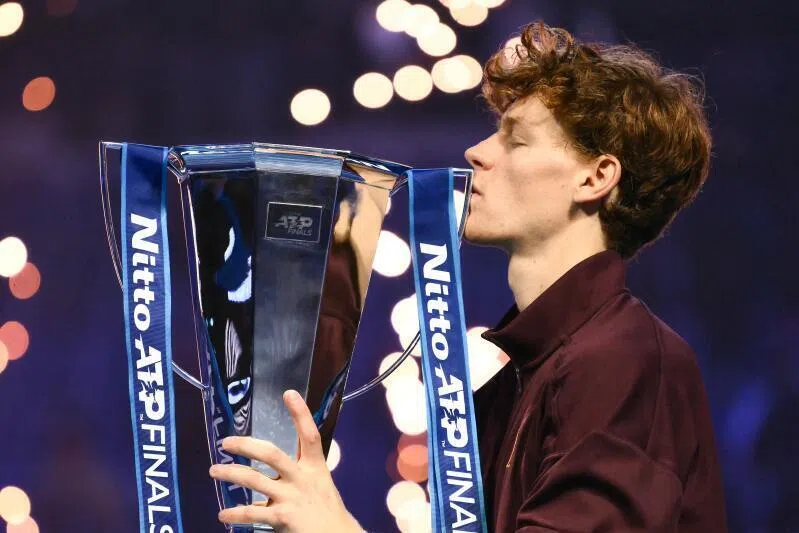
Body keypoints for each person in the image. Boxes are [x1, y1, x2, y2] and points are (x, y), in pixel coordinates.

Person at [208, 20, 728, 533]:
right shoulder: (514, 381)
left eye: (516, 140)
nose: (476, 152)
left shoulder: (625, 360)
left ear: (596, 177)